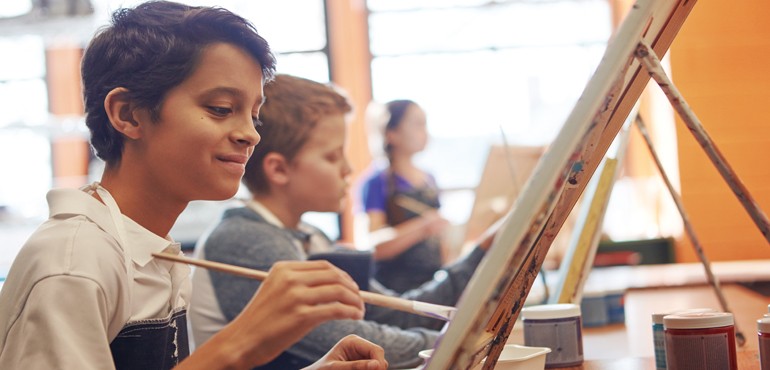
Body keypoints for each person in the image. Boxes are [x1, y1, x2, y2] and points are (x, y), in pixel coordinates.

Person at [0, 2, 387, 369]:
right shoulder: (73, 264)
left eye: (255, 115)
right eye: (221, 109)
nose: (250, 134)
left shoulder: (155, 250)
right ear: (128, 114)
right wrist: (240, 343)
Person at [189, 74, 494, 369]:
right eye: (333, 157)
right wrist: (467, 340)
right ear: (279, 170)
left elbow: (396, 312)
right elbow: (357, 342)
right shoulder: (244, 240)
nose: (348, 169)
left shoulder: (313, 237)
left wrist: (485, 251)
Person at [360, 99, 449, 293]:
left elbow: (441, 241)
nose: (425, 132)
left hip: (432, 283)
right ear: (392, 134)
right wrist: (422, 227)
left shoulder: (429, 179)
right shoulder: (377, 181)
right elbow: (373, 245)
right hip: (396, 287)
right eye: (418, 124)